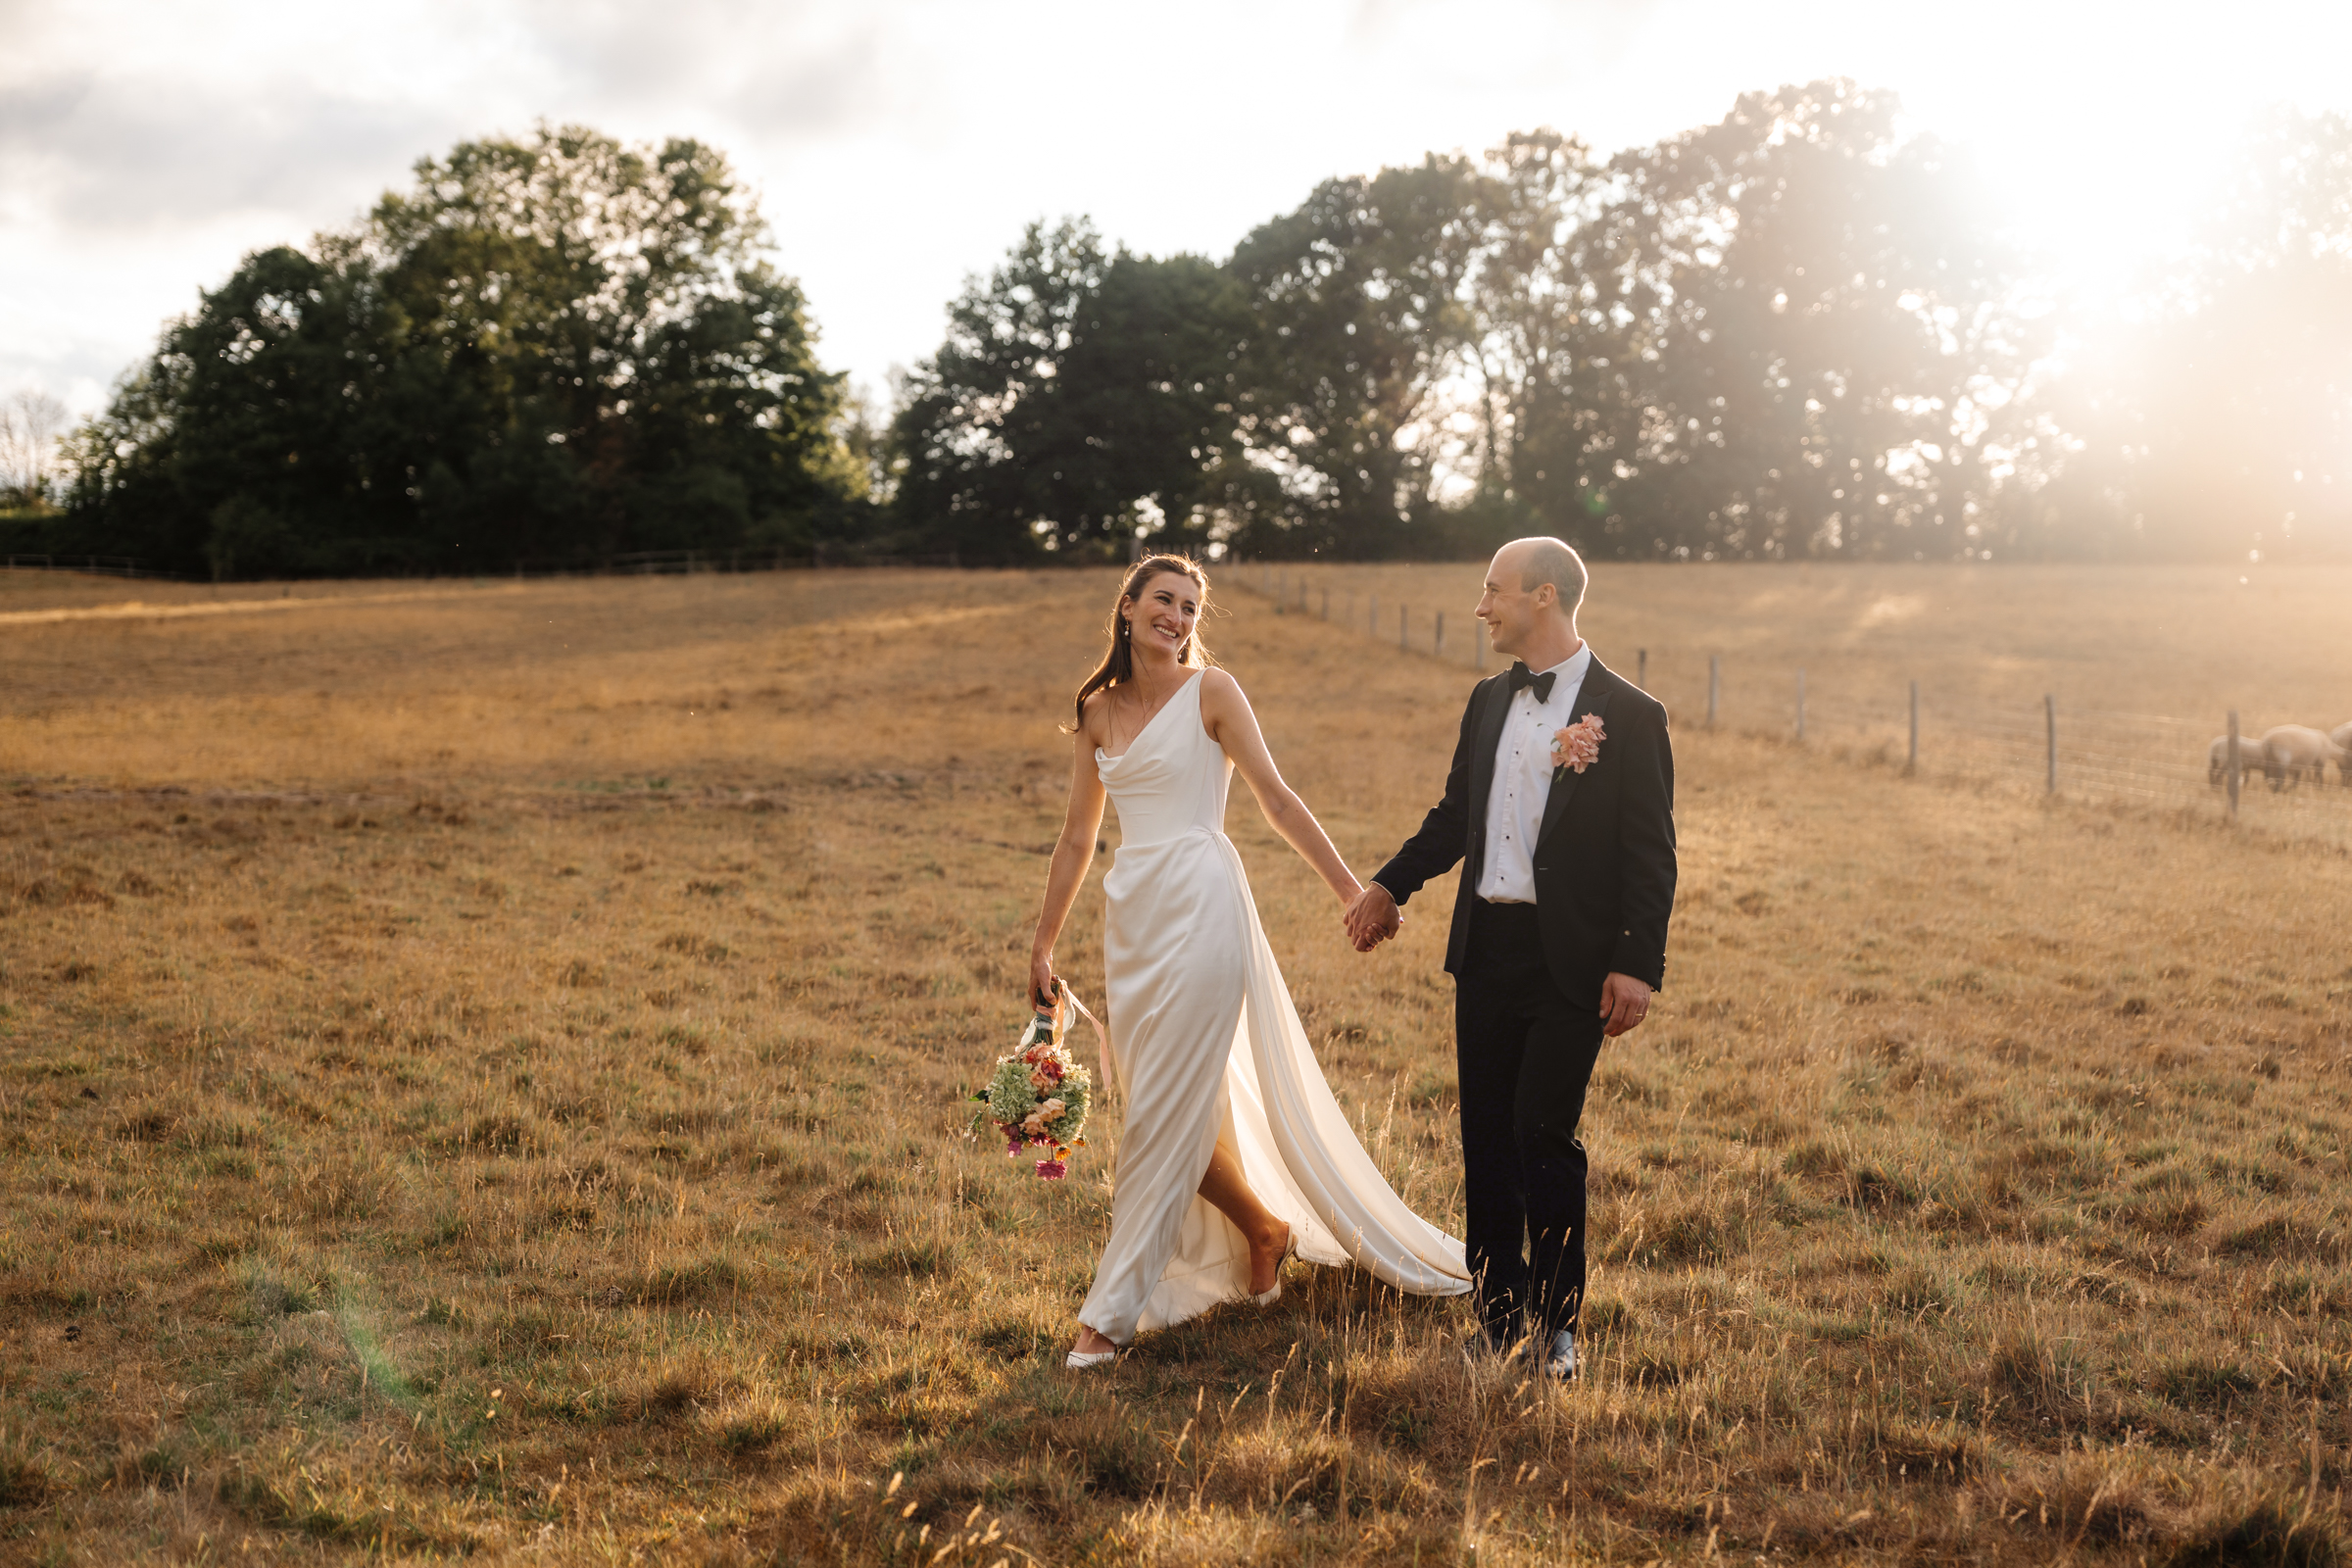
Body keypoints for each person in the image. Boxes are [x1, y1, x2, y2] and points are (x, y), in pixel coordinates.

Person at [1029, 555, 1472, 1369]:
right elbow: (1077, 837)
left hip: (1205, 902)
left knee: (1162, 1111)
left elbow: (1274, 796)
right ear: (1127, 608)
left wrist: (1350, 889)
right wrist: (1044, 940)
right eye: (1164, 600)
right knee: (1158, 1106)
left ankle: (1109, 1316)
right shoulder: (1096, 711)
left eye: (1191, 607)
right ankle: (1264, 1229)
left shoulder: (1214, 691)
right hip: (1132, 917)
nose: (1178, 616)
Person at [1346, 537, 1676, 1381]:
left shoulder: (1630, 715)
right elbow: (1456, 814)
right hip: (1484, 952)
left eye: (1493, 591)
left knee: (1542, 1134)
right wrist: (1391, 885)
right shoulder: (1489, 698)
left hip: (1572, 960)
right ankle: (1498, 1319)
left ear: (1545, 597)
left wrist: (1636, 965)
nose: (1481, 606)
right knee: (1487, 1139)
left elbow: (1651, 856)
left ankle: (1558, 1329)